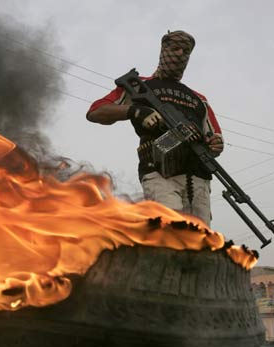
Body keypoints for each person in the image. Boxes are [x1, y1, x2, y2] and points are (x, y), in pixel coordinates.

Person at [86, 30, 224, 226]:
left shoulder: (198, 99)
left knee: (201, 241)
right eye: (174, 48)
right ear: (163, 50)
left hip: (198, 176)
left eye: (185, 51)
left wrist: (216, 144)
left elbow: (214, 138)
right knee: (171, 233)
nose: (179, 54)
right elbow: (96, 111)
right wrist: (135, 111)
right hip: (159, 172)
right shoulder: (140, 85)